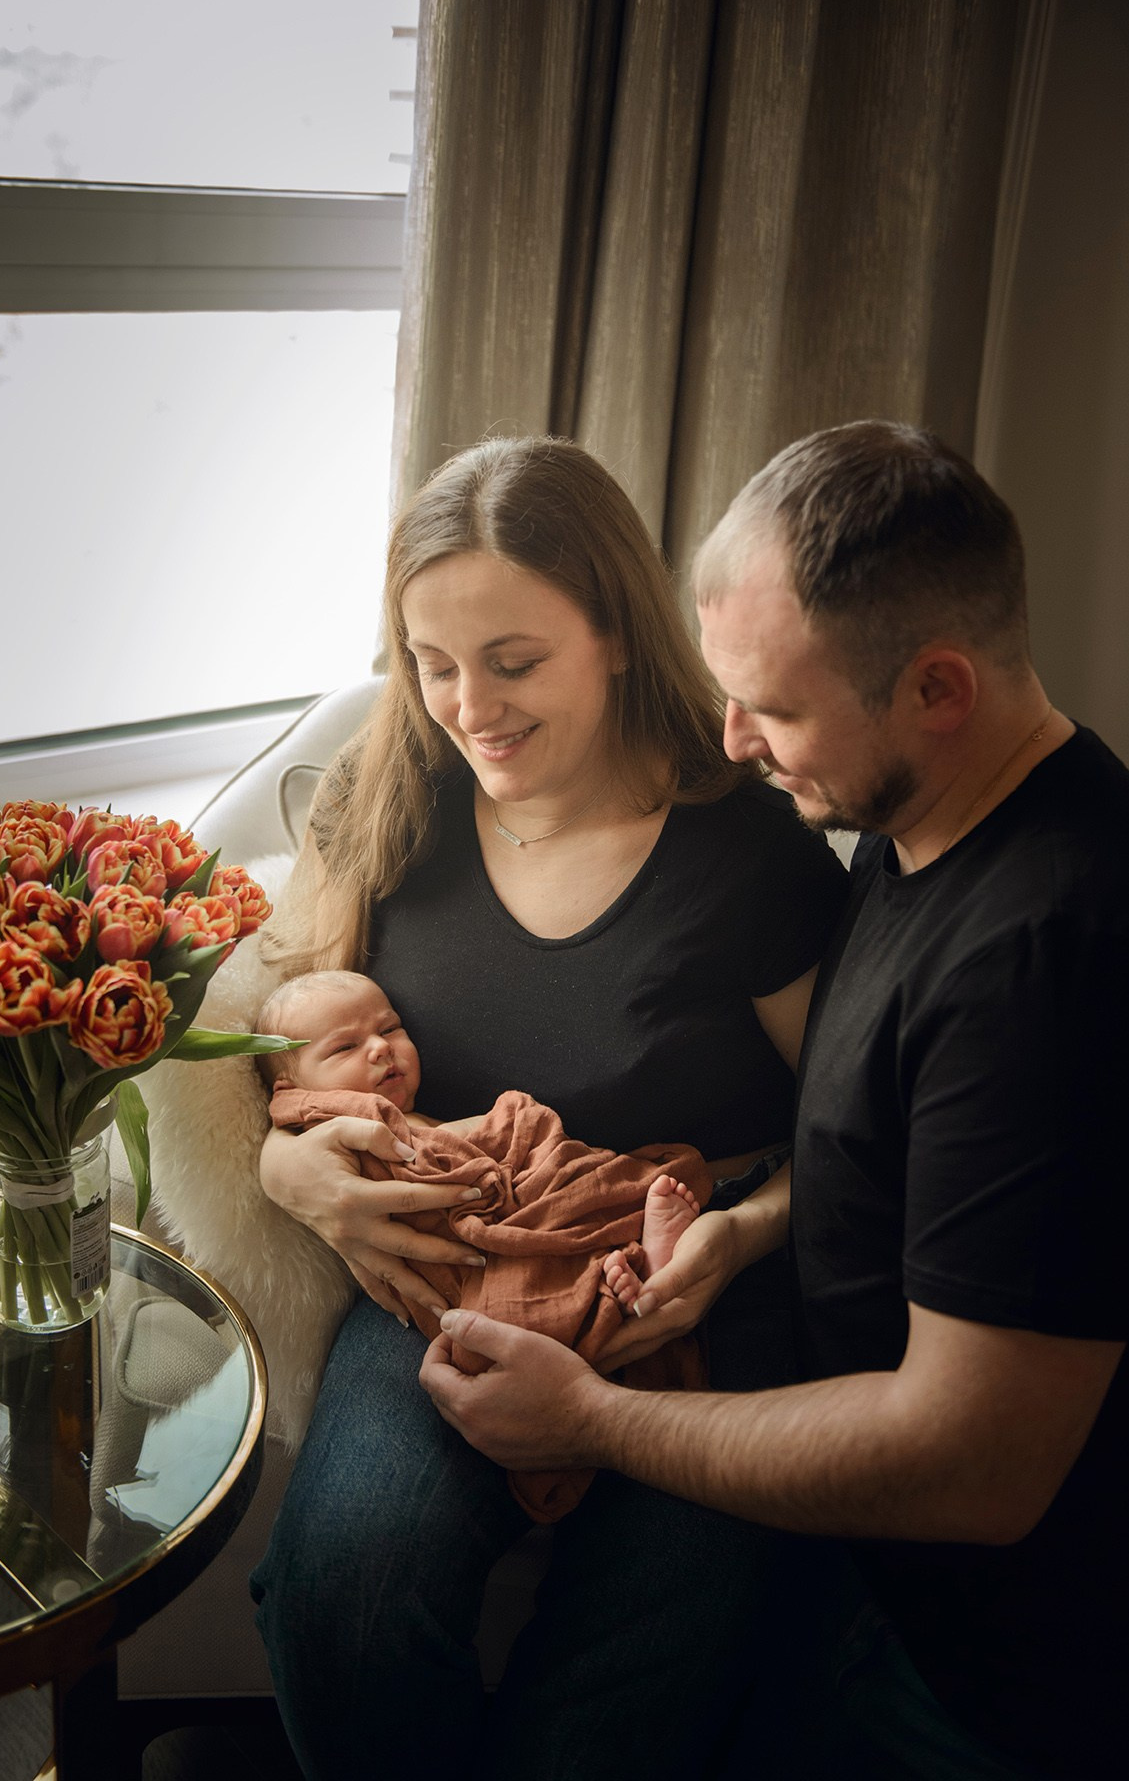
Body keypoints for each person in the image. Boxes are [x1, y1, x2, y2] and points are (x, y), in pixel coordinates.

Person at [420, 421, 1129, 1781]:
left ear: (937, 688)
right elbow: (877, 1161)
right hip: (864, 1573)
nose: (735, 744)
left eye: (777, 711)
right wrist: (738, 1232)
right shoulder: (921, 829)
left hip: (985, 1676)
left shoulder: (1052, 961)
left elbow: (973, 1464)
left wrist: (586, 1421)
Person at [247, 434, 850, 1781]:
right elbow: (279, 1033)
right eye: (433, 664)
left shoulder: (746, 853)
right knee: (347, 1591)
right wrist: (292, 1176)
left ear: (621, 635)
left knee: (652, 1648)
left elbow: (854, 1138)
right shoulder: (387, 800)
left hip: (687, 1281)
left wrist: (741, 1239)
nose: (471, 707)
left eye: (513, 663)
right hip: (448, 1270)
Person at [254, 965, 711, 1520]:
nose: (381, 1047)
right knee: (503, 1316)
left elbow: (491, 1145)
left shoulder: (415, 1115)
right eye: (345, 1045)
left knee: (568, 1170)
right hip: (466, 1263)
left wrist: (510, 1131)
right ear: (296, 1087)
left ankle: (628, 1260)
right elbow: (304, 1119)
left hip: (519, 1201)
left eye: (391, 1028)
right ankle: (619, 1282)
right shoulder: (334, 1121)